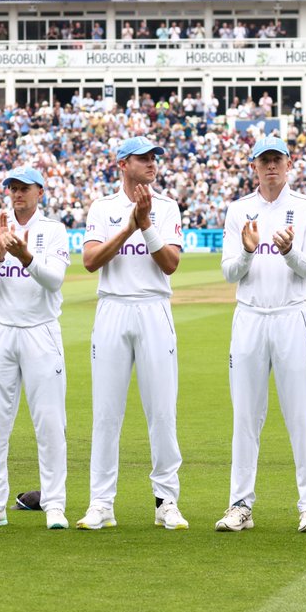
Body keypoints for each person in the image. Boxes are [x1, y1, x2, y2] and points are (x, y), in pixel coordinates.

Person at [215, 136, 306, 533]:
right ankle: (240, 505)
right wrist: (247, 251)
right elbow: (229, 272)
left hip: (291, 315)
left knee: (301, 416)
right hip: (250, 316)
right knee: (245, 416)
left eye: (277, 159)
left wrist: (289, 252)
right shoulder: (239, 210)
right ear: (254, 167)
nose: (271, 167)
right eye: (264, 161)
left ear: (289, 162)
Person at [77, 136, 188, 530]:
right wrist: (129, 228)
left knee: (162, 410)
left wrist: (148, 228)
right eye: (143, 159)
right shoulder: (103, 207)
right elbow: (90, 261)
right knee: (106, 413)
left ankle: (166, 501)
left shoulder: (168, 206)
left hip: (154, 309)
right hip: (113, 307)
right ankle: (101, 504)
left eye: (154, 158)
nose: (151, 164)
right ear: (122, 163)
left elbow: (170, 263)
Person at [0, 167, 71, 531]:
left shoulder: (54, 230)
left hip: (40, 332)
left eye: (24, 188)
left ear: (39, 192)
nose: (17, 194)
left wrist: (26, 255)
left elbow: (54, 280)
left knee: (49, 421)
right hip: (1, 332)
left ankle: (55, 504)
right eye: (12, 188)